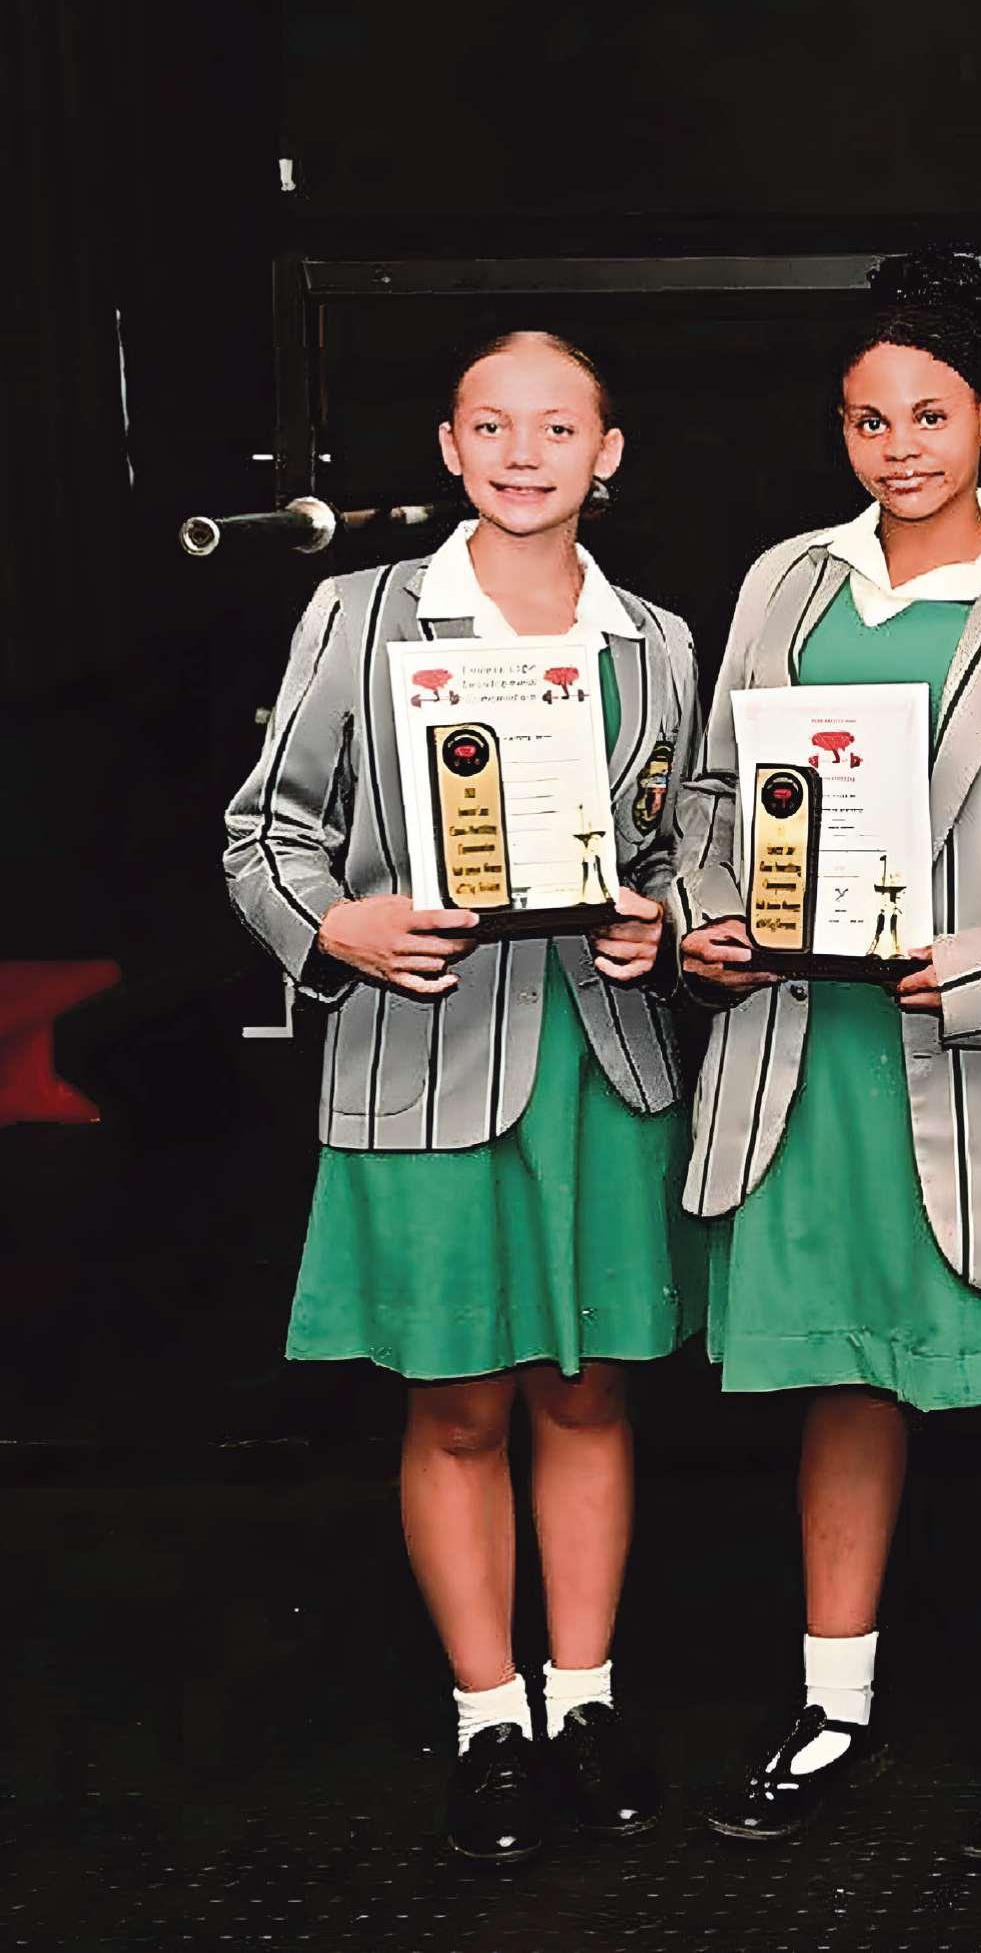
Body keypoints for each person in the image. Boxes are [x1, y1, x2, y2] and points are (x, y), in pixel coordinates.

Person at [676, 251, 981, 1870]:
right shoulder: (786, 586)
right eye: (868, 420)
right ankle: (833, 1706)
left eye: (931, 415)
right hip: (809, 1058)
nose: (899, 447)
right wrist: (703, 922)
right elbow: (712, 803)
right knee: (844, 1373)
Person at [223, 329, 703, 1865]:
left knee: (588, 1387)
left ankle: (587, 1702)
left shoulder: (658, 643)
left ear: (605, 453)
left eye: (555, 429)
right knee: (455, 1401)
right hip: (419, 1056)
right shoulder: (360, 612)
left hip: (598, 1060)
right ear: (448, 446)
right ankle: (489, 1718)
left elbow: (679, 853)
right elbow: (265, 835)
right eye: (491, 427)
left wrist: (660, 924)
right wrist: (334, 930)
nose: (521, 455)